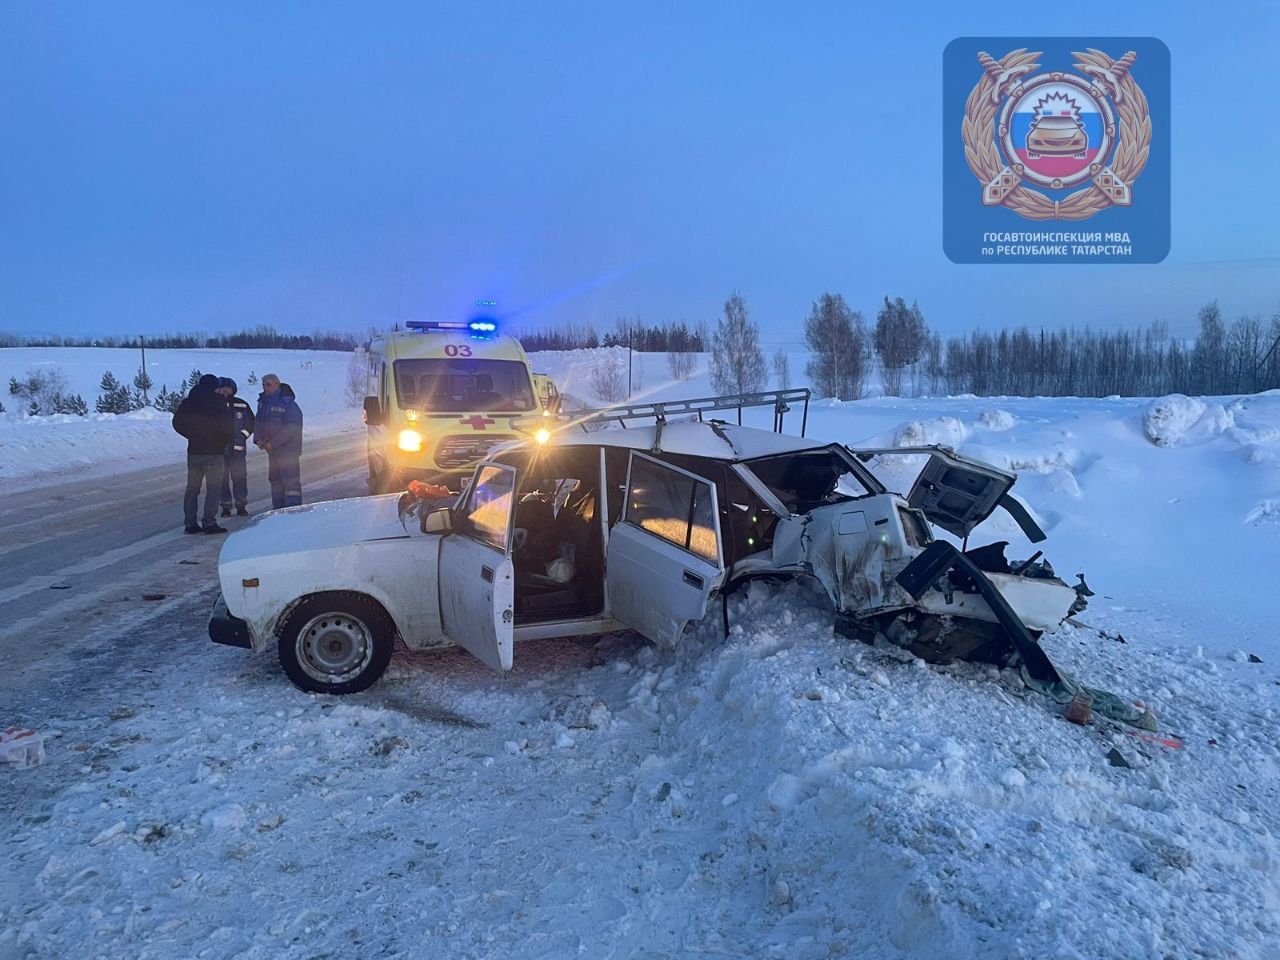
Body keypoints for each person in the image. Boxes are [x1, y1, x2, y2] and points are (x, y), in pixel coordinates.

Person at [172, 373, 234, 533]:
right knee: (213, 489)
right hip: (214, 452)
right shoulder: (218, 403)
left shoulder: (188, 403)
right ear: (214, 387)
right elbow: (228, 428)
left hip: (194, 451)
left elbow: (177, 423)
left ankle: (190, 523)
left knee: (192, 489)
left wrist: (191, 435)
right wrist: (222, 441)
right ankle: (209, 522)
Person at [254, 373, 304, 508]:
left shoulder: (288, 403)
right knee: (275, 481)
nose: (265, 388)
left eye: (268, 385)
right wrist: (258, 439)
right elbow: (259, 421)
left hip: (288, 451)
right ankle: (278, 511)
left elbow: (293, 427)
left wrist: (273, 442)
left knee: (290, 482)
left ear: (276, 384)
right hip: (273, 452)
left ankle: (293, 510)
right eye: (263, 385)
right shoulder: (264, 403)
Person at [216, 377, 256, 517]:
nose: (225, 390)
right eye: (222, 387)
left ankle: (241, 505)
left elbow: (251, 422)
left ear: (233, 389)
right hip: (219, 451)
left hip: (237, 450)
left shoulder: (241, 405)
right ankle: (225, 506)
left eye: (228, 387)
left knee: (239, 478)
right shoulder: (213, 404)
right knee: (222, 479)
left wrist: (243, 435)